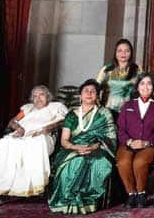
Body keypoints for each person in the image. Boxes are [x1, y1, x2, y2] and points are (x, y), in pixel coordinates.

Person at [0, 85, 67, 206]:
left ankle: (32, 185)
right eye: (34, 96)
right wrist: (18, 128)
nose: (38, 98)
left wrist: (48, 127)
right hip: (23, 134)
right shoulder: (28, 108)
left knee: (35, 144)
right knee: (4, 143)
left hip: (43, 135)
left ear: (48, 96)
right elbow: (12, 122)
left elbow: (64, 121)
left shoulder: (57, 107)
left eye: (41, 95)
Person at [48, 79, 117, 214]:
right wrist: (77, 148)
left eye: (93, 91)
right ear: (80, 95)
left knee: (98, 163)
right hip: (72, 148)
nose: (89, 94)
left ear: (97, 96)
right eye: (86, 91)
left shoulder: (104, 113)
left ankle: (87, 200)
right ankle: (67, 200)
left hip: (98, 148)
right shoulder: (72, 115)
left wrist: (94, 146)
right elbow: (64, 140)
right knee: (75, 161)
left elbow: (110, 137)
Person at [115, 74, 154, 208]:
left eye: (149, 83)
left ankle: (141, 194)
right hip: (129, 143)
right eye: (142, 83)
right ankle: (131, 193)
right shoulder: (128, 105)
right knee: (123, 162)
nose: (145, 86)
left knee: (139, 162)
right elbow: (120, 129)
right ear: (137, 87)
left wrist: (147, 142)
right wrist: (129, 141)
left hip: (150, 144)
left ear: (153, 87)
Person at [95, 39, 139, 114]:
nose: (123, 53)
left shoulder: (137, 70)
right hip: (108, 107)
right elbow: (95, 87)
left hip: (130, 109)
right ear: (115, 53)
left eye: (127, 51)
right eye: (120, 51)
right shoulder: (107, 69)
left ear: (131, 53)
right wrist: (98, 104)